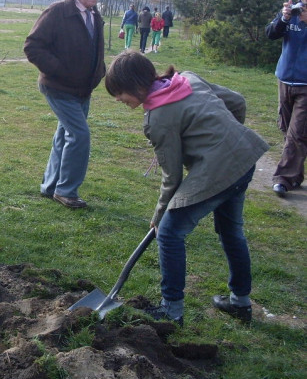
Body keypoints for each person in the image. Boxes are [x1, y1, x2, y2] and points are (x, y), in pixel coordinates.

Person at [105, 51, 269, 325]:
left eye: (119, 93)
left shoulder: (158, 118)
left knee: (169, 233)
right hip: (244, 157)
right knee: (231, 231)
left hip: (220, 171)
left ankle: (171, 312)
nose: (119, 99)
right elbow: (237, 102)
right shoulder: (188, 79)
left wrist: (158, 217)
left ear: (135, 84)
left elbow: (172, 176)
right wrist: (226, 135)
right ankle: (240, 302)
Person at [24, 0, 106, 209]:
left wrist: (99, 72)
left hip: (83, 89)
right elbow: (32, 47)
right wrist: (59, 70)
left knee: (65, 135)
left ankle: (50, 186)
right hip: (58, 88)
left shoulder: (95, 15)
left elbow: (96, 49)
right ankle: (66, 190)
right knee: (79, 135)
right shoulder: (57, 12)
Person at [266, 0, 307, 198]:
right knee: (287, 129)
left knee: (296, 133)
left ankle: (282, 178)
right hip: (284, 81)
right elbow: (270, 34)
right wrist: (282, 19)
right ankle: (296, 174)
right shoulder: (292, 12)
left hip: (306, 86)